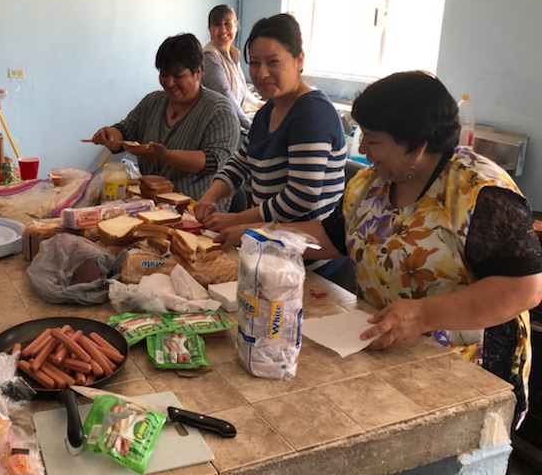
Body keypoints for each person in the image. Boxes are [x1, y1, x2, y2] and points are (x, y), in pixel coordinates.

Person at [218, 71, 542, 425]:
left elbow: (524, 288)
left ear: (417, 145)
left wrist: (422, 316)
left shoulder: (478, 192)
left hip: (465, 368)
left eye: (372, 140)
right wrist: (262, 234)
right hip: (389, 350)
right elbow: (332, 236)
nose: (362, 150)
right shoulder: (370, 184)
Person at [194, 13, 346, 276]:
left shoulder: (311, 112)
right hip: (274, 252)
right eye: (254, 63)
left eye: (273, 62)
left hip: (309, 262)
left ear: (299, 60)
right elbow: (241, 161)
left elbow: (302, 197)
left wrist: (238, 219)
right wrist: (210, 196)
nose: (262, 73)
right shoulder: (268, 111)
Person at [91, 33, 240, 202]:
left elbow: (212, 161)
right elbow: (125, 130)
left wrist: (166, 155)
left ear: (198, 72)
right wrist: (111, 135)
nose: (169, 83)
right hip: (152, 202)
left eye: (178, 76)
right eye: (164, 74)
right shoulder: (153, 102)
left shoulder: (219, 110)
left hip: (197, 207)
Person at [202, 5, 261, 132]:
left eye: (227, 23)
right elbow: (226, 96)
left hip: (231, 120)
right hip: (217, 126)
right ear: (210, 30)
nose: (223, 29)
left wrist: (258, 104)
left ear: (236, 25)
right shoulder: (210, 57)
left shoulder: (232, 54)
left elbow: (242, 89)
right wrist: (251, 127)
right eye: (217, 24)